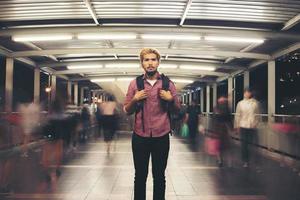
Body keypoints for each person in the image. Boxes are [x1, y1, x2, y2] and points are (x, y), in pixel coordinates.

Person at [124, 48, 180, 200]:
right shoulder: (135, 84)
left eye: (153, 59)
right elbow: (127, 110)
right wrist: (135, 99)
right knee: (140, 176)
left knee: (159, 176)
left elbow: (178, 111)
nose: (150, 63)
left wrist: (171, 99)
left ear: (158, 62)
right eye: (146, 60)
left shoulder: (168, 84)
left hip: (161, 135)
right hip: (140, 136)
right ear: (142, 63)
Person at [234, 88, 260, 168]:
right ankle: (245, 161)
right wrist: (237, 126)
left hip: (252, 126)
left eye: (248, 92)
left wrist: (255, 123)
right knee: (244, 144)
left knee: (250, 144)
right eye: (246, 92)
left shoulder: (255, 103)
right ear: (244, 93)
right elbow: (237, 115)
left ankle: (250, 159)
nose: (247, 94)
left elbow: (257, 115)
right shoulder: (240, 103)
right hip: (243, 126)